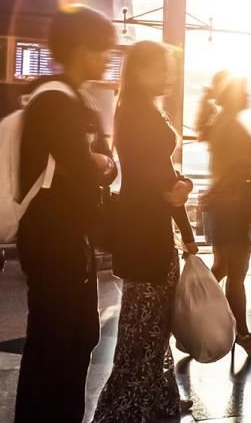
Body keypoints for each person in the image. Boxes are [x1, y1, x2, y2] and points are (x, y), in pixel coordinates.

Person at [15, 6, 119, 423]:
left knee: (75, 336)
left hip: (69, 234)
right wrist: (98, 164)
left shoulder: (76, 98)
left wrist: (100, 165)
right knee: (58, 340)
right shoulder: (55, 99)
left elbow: (104, 164)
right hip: (52, 235)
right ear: (80, 48)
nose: (107, 57)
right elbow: (83, 165)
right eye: (101, 48)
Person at [93, 41, 196, 422]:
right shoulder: (138, 112)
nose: (169, 74)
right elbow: (158, 179)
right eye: (162, 67)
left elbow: (164, 177)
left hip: (149, 226)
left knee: (151, 323)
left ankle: (155, 399)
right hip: (144, 230)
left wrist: (181, 197)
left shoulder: (143, 109)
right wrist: (182, 207)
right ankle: (125, 407)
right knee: (144, 326)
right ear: (140, 70)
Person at [197, 72, 251, 359]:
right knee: (237, 275)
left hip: (218, 207)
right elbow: (250, 164)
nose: (249, 93)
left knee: (223, 267)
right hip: (232, 209)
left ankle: (192, 319)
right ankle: (243, 334)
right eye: (245, 88)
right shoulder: (234, 127)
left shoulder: (219, 123)